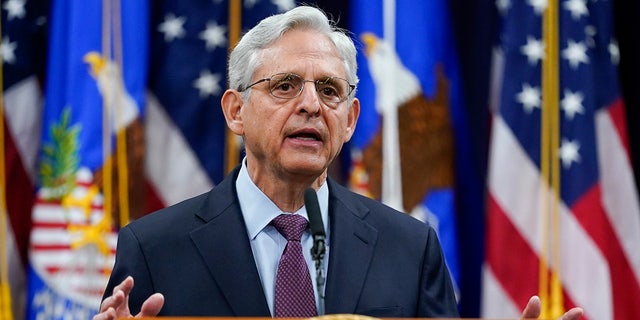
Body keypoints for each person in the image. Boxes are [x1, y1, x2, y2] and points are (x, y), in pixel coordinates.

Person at [94, 5, 583, 320]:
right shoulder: (154, 249)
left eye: (329, 90)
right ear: (235, 111)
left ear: (349, 120)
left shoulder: (411, 249)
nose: (310, 105)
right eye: (285, 85)